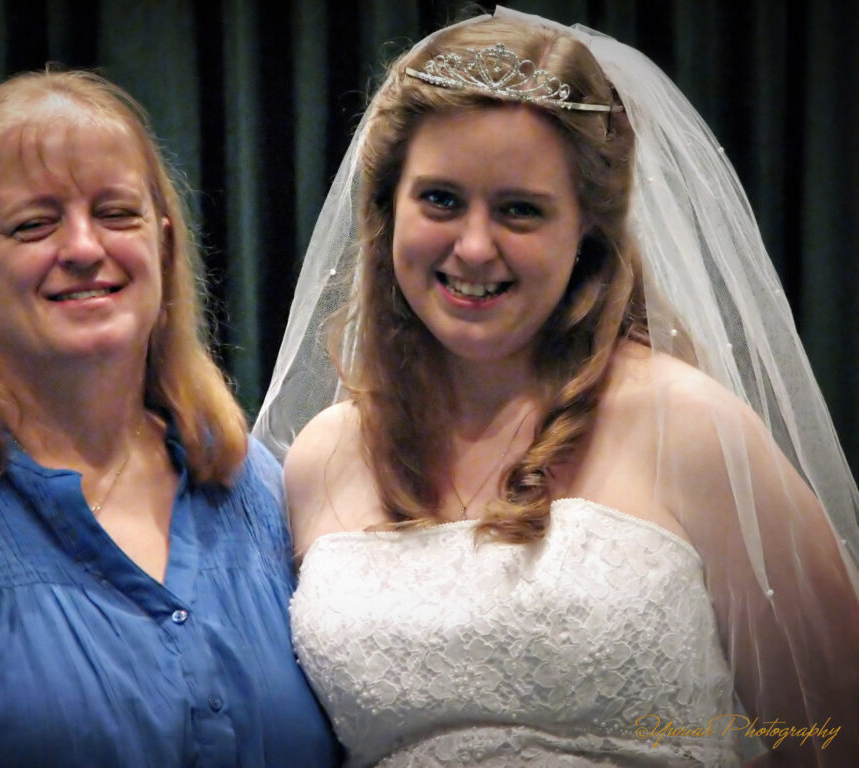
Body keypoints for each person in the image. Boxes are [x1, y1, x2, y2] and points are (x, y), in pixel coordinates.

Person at [253, 6, 859, 767]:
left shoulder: (690, 426)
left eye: (520, 210)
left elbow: (836, 730)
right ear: (387, 210)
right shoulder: (320, 459)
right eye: (440, 199)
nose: (474, 246)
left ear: (587, 232)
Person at [0, 70, 340, 767]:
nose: (81, 247)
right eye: (34, 224)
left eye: (116, 213)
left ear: (163, 245)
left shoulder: (261, 492)